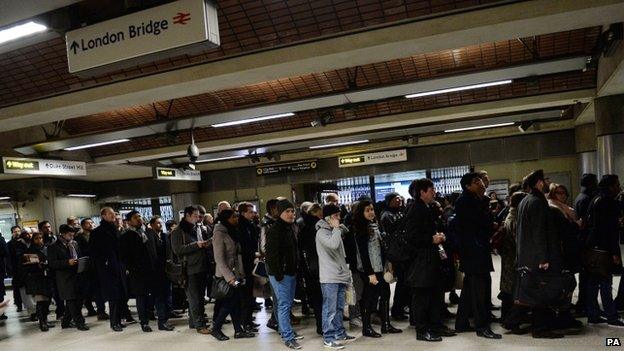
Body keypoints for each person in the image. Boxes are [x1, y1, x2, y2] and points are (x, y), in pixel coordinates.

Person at [516, 170, 567, 338]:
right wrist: (543, 258)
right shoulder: (538, 202)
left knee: (534, 292)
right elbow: (539, 232)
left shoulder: (525, 200)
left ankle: (539, 326)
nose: (546, 183)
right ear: (538, 183)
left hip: (528, 256)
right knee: (542, 293)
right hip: (538, 258)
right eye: (544, 180)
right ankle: (541, 329)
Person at [404, 179, 456, 342]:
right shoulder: (416, 209)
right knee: (422, 297)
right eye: (431, 189)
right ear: (422, 192)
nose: (434, 192)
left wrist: (438, 236)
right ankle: (422, 330)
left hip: (431, 259)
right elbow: (411, 237)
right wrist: (431, 239)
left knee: (435, 294)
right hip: (421, 261)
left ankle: (436, 325)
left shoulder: (427, 208)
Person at [454, 172, 501, 339]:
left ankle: (461, 323)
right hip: (474, 251)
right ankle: (482, 326)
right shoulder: (467, 201)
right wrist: (489, 214)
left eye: (480, 180)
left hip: (475, 250)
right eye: (476, 181)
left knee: (469, 290)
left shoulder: (475, 200)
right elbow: (482, 223)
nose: (481, 183)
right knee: (480, 290)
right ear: (468, 186)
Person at [354, 199, 402, 338]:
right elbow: (363, 254)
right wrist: (370, 273)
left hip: (380, 267)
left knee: (385, 294)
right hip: (370, 270)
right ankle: (366, 328)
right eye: (367, 210)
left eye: (372, 209)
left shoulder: (374, 225)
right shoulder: (361, 229)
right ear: (361, 212)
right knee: (370, 298)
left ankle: (386, 325)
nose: (371, 212)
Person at [583, 174, 624, 327]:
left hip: (592, 245)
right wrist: (614, 253)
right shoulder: (608, 202)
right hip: (604, 247)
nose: (618, 187)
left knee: (593, 282)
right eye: (617, 184)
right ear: (611, 186)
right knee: (606, 282)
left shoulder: (596, 199)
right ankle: (611, 315)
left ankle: (593, 313)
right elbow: (609, 230)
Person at [316, 204, 356, 349]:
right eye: (336, 216)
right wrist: (337, 228)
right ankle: (328, 338)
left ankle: (340, 332)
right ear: (328, 218)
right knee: (329, 309)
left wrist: (339, 228)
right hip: (329, 277)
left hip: (340, 275)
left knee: (339, 307)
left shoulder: (335, 230)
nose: (339, 218)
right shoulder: (321, 233)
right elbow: (333, 245)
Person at [211, 209, 255, 341]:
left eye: (237, 216)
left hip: (236, 273)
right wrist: (230, 278)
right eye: (233, 217)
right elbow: (219, 259)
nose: (236, 219)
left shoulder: (233, 231)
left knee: (235, 302)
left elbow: (237, 254)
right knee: (229, 302)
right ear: (226, 219)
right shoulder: (219, 233)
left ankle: (238, 330)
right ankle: (216, 328)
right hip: (226, 275)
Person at [266, 199, 303, 350]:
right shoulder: (275, 230)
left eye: (292, 211)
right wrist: (278, 274)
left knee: (287, 305)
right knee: (284, 305)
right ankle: (287, 337)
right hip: (281, 274)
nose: (291, 214)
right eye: (287, 211)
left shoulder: (289, 228)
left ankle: (286, 331)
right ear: (280, 213)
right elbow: (271, 256)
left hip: (290, 272)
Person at [171, 205, 211, 334]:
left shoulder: (198, 227)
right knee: (195, 298)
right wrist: (196, 245)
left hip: (201, 266)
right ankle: (200, 325)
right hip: (189, 269)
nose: (198, 218)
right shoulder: (178, 231)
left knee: (199, 297)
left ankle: (194, 322)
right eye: (195, 216)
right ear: (187, 215)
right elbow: (177, 250)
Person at [90, 207, 126, 332]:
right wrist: (103, 265)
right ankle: (114, 322)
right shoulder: (97, 232)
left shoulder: (115, 229)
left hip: (119, 267)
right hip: (107, 269)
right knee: (113, 297)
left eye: (114, 214)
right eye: (110, 214)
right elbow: (94, 253)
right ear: (103, 216)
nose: (113, 216)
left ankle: (120, 320)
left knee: (121, 295)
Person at [119, 210, 157, 332]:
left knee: (150, 295)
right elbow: (124, 256)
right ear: (129, 222)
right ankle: (144, 322)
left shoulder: (147, 232)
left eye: (140, 216)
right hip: (137, 271)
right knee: (141, 297)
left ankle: (151, 314)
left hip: (150, 269)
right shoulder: (126, 236)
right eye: (136, 217)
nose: (139, 219)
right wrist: (132, 268)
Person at [47, 224, 89, 331]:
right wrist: (67, 262)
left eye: (73, 234)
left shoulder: (74, 243)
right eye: (70, 235)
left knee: (79, 300)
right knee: (71, 300)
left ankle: (65, 321)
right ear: (63, 234)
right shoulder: (53, 246)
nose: (72, 237)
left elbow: (79, 256)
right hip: (64, 277)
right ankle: (80, 323)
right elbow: (52, 264)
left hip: (77, 275)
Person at [499, 191, 526, 329]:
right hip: (513, 259)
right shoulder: (515, 218)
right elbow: (518, 241)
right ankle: (510, 321)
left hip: (509, 258)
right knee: (513, 290)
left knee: (509, 290)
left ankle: (507, 318)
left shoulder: (511, 215)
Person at [380, 192, 409, 321]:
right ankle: (397, 308)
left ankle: (401, 306)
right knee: (401, 281)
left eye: (399, 198)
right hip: (395, 252)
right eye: (396, 198)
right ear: (389, 201)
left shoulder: (400, 212)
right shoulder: (387, 215)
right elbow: (392, 230)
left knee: (404, 281)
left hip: (402, 250)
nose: (399, 200)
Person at [573, 173, 598, 315]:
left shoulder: (580, 197)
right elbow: (585, 222)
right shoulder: (587, 199)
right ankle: (585, 304)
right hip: (586, 240)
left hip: (581, 239)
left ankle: (584, 303)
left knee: (585, 275)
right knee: (588, 275)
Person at [146, 216, 175, 331]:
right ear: (152, 224)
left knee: (167, 296)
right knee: (160, 298)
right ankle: (161, 322)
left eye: (161, 223)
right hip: (156, 273)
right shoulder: (150, 235)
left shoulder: (163, 236)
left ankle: (166, 318)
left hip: (165, 271)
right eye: (158, 223)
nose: (160, 225)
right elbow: (152, 255)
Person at [75, 217, 107, 320]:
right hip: (86, 267)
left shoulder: (97, 235)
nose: (91, 225)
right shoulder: (79, 238)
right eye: (88, 223)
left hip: (96, 266)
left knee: (98, 289)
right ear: (83, 226)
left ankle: (101, 311)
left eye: (92, 223)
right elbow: (81, 251)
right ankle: (89, 309)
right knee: (87, 291)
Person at [23, 231, 53, 331]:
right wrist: (37, 265)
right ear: (33, 239)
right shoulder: (30, 250)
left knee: (47, 301)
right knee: (41, 301)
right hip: (36, 278)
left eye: (41, 238)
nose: (39, 240)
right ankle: (42, 322)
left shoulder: (46, 248)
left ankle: (45, 319)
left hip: (47, 277)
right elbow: (26, 266)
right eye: (36, 238)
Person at [237, 202, 260, 331]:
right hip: (245, 264)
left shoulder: (250, 225)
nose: (253, 214)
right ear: (243, 213)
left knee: (251, 294)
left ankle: (248, 320)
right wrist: (254, 253)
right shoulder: (241, 226)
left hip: (251, 261)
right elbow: (244, 247)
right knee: (246, 295)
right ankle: (245, 322)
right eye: (250, 212)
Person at [7, 225, 24, 312]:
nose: (17, 233)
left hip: (25, 268)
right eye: (15, 231)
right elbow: (8, 258)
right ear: (12, 233)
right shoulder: (9, 244)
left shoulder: (24, 242)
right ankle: (19, 304)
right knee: (17, 288)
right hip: (15, 269)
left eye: (18, 231)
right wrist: (9, 270)